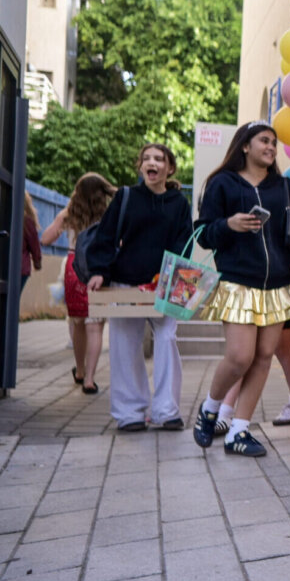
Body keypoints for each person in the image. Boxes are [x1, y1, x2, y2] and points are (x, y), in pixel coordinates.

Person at [192, 121, 290, 456]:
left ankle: (239, 431)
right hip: (239, 282)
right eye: (264, 141)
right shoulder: (222, 184)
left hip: (279, 285)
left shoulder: (285, 188)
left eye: (274, 142)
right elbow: (202, 233)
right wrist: (228, 225)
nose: (271, 147)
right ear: (245, 145)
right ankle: (210, 409)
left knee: (263, 357)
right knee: (240, 356)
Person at [84, 144, 193, 431]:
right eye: (147, 159)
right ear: (140, 166)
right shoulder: (126, 196)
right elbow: (106, 234)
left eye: (159, 159)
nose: (152, 162)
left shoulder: (179, 203)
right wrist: (98, 271)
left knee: (167, 339)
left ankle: (167, 411)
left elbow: (184, 243)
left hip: (165, 286)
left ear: (169, 168)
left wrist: (176, 279)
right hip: (126, 282)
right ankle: (130, 413)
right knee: (125, 345)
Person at [41, 173, 115, 395]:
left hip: (74, 268)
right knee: (95, 326)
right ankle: (90, 380)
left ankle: (80, 371)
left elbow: (45, 239)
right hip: (99, 267)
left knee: (78, 322)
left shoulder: (69, 214)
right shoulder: (108, 216)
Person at [20, 193, 42, 294]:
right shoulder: (27, 221)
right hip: (21, 267)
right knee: (13, 298)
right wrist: (37, 263)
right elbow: (34, 245)